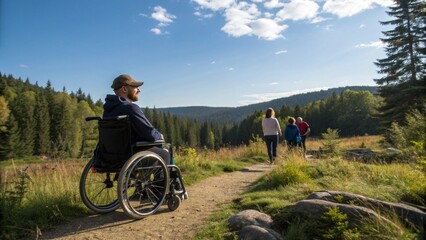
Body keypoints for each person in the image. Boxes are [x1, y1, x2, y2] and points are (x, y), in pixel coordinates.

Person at [103, 74, 171, 164]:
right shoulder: (131, 108)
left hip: (110, 156)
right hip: (131, 155)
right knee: (165, 152)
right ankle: (163, 178)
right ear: (124, 89)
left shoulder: (108, 111)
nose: (139, 90)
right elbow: (149, 134)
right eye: (135, 87)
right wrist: (159, 135)